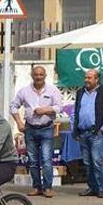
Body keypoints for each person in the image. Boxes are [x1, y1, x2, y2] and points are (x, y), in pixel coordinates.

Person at [10, 65, 62, 198]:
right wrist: (19, 123)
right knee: (32, 160)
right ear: (32, 76)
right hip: (30, 129)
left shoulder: (52, 90)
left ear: (45, 76)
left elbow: (59, 107)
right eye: (36, 75)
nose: (38, 77)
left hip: (46, 129)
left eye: (41, 75)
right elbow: (13, 107)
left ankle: (47, 187)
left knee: (46, 159)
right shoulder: (24, 91)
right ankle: (36, 187)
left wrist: (45, 110)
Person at [71, 68, 103, 198]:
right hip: (82, 132)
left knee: (97, 161)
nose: (86, 80)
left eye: (89, 78)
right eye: (86, 77)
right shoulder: (80, 93)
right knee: (87, 162)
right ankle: (92, 187)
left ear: (97, 79)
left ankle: (102, 188)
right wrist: (74, 128)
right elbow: (75, 112)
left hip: (95, 132)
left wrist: (102, 129)